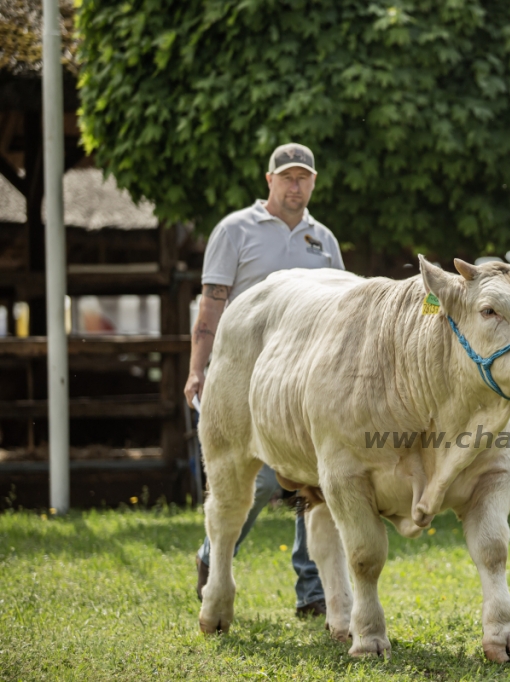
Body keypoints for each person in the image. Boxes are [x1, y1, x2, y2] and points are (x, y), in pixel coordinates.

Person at [184, 143, 344, 616]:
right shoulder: (235, 231)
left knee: (318, 480)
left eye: (304, 177)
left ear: (314, 182)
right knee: (254, 481)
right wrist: (198, 369)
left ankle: (313, 592)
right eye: (287, 177)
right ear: (269, 181)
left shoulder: (324, 240)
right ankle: (215, 558)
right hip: (246, 377)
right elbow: (211, 304)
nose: (296, 185)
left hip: (305, 382)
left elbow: (340, 311)